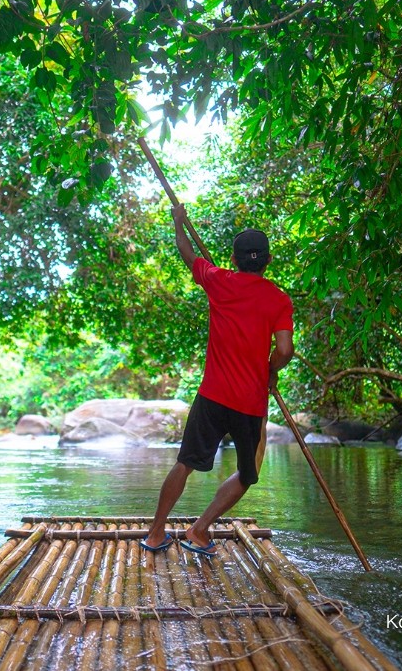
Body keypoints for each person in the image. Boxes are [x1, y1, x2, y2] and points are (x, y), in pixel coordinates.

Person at [141, 204, 294, 556]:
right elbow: (285, 349)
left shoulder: (218, 280)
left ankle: (155, 534)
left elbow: (187, 253)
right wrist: (271, 371)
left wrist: (179, 223)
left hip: (212, 396)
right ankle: (199, 529)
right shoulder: (279, 300)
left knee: (185, 463)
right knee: (247, 474)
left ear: (234, 259)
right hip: (249, 402)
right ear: (268, 260)